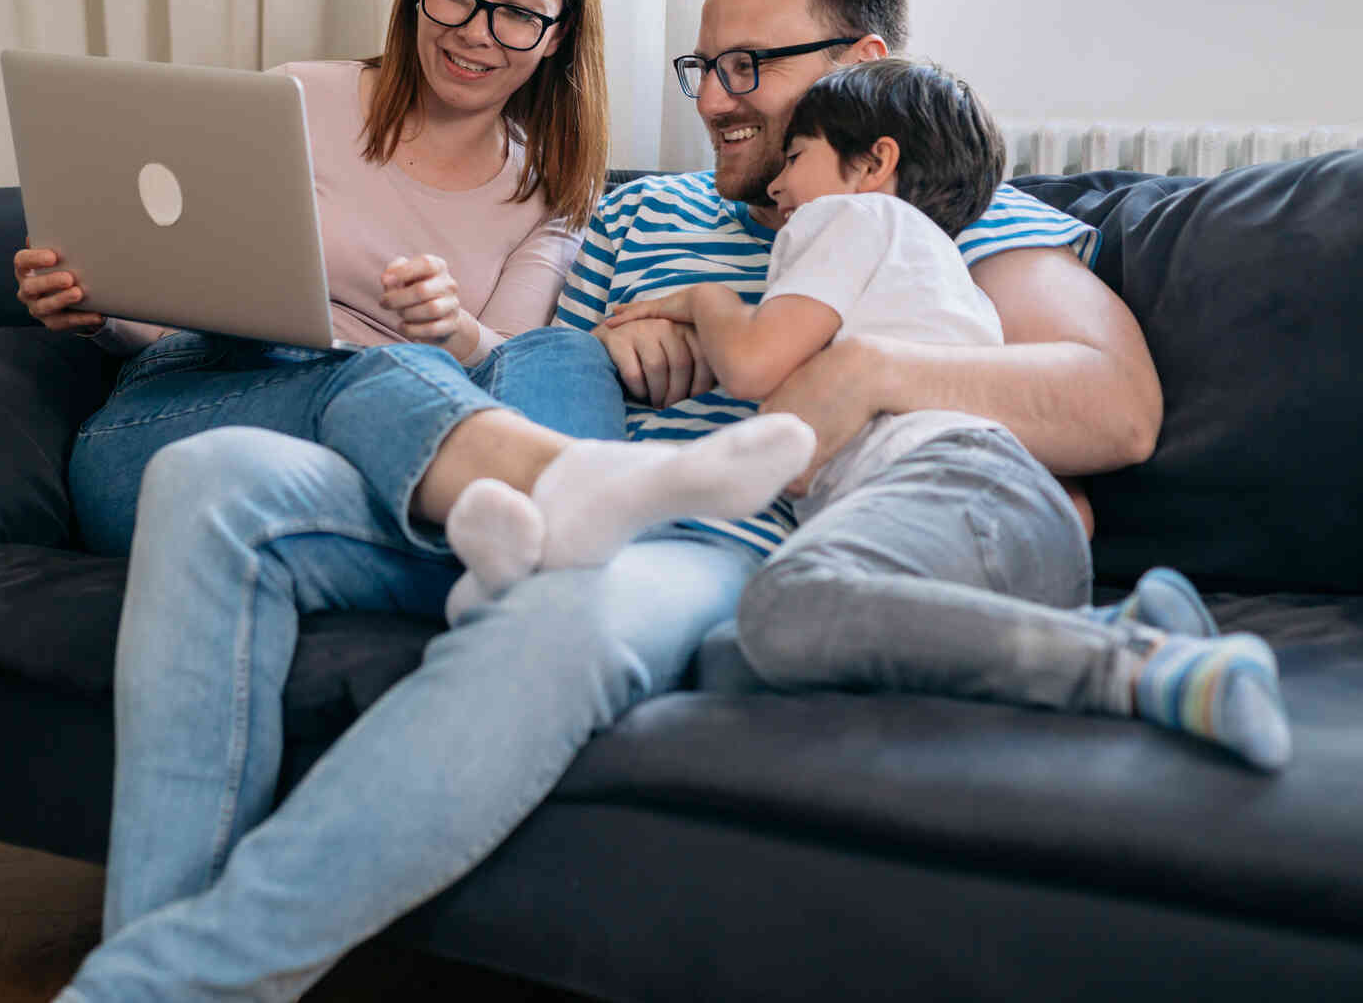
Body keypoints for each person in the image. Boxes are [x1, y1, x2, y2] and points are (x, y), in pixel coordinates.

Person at [54, 0, 1170, 1002]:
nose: (717, 102)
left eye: (749, 66)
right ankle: (157, 949)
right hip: (533, 493)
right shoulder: (643, 215)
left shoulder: (944, 213)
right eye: (704, 66)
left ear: (861, 65)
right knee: (206, 476)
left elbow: (1114, 406)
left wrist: (862, 369)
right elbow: (524, 370)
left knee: (568, 612)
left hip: (716, 537)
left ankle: (164, 982)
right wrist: (607, 342)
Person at [461, 57, 1281, 770]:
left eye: (797, 156)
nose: (777, 184)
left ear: (872, 163)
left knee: (780, 607)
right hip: (1002, 535)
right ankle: (1126, 620)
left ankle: (1134, 666)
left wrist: (705, 302)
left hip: (949, 487)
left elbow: (756, 371)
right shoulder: (919, 265)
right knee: (732, 660)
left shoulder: (851, 218)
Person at [14, 0, 629, 556]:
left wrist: (454, 330)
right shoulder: (295, 98)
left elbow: (514, 378)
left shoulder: (556, 192)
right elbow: (170, 304)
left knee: (567, 357)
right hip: (191, 410)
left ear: (556, 34)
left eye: (518, 11)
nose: (475, 32)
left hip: (367, 471)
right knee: (390, 370)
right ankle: (598, 504)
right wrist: (96, 303)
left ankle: (525, 539)